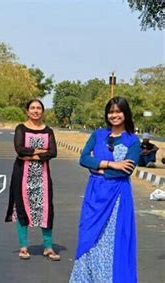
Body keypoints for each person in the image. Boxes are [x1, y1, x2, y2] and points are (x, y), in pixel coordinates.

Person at [69, 96, 140, 283]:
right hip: (94, 196)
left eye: (118, 111)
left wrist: (99, 170)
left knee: (114, 240)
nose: (114, 115)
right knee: (88, 237)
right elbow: (83, 159)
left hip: (117, 198)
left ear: (126, 113)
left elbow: (127, 170)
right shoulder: (98, 135)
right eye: (111, 112)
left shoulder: (132, 140)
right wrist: (110, 164)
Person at [5, 99, 60, 261]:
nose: (36, 111)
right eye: (32, 108)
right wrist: (40, 151)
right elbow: (19, 149)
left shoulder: (48, 131)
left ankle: (48, 247)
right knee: (22, 208)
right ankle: (23, 247)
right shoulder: (21, 128)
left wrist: (31, 154)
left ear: (42, 112)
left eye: (39, 108)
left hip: (42, 177)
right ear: (27, 111)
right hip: (22, 175)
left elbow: (53, 152)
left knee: (46, 209)